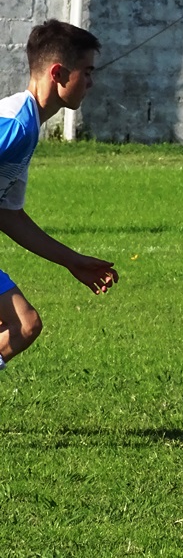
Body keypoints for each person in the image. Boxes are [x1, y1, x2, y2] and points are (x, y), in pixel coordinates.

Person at [0, 19, 118, 374]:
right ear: (58, 73)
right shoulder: (15, 127)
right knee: (22, 325)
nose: (91, 82)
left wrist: (72, 260)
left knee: (23, 325)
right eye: (87, 71)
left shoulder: (27, 125)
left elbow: (8, 215)